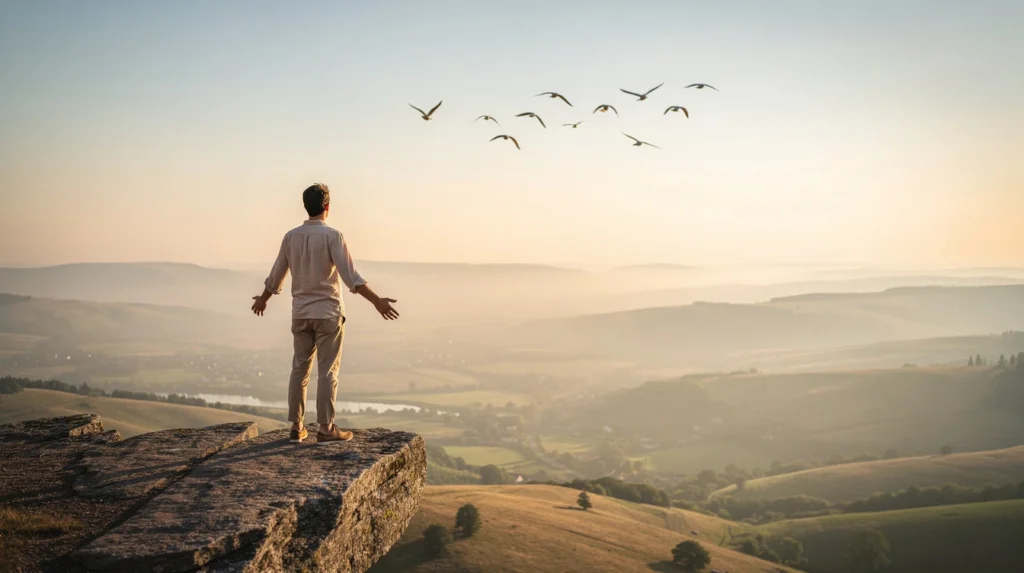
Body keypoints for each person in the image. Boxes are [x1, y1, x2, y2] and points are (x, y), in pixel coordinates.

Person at [251, 183, 399, 444]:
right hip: (329, 313)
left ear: (305, 207)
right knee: (328, 372)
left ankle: (297, 427)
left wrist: (263, 300)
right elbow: (350, 277)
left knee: (299, 369)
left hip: (300, 313)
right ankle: (326, 428)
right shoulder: (333, 236)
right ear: (327, 207)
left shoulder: (290, 237)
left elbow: (276, 276)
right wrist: (377, 301)